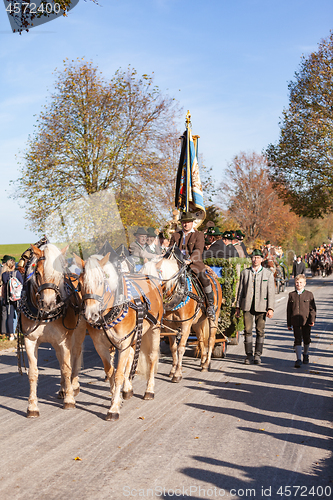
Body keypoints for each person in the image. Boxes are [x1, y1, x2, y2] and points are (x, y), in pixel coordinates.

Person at [169, 211, 215, 317]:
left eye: (188, 222)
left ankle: (210, 306)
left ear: (192, 223)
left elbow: (198, 250)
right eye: (184, 222)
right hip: (176, 265)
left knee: (204, 279)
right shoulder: (175, 235)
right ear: (181, 223)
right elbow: (170, 249)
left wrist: (189, 260)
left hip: (193, 265)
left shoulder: (199, 235)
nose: (186, 224)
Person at [235, 249, 275, 364]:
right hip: (247, 306)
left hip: (261, 307)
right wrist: (238, 307)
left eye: (258, 257)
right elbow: (240, 291)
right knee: (247, 330)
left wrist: (270, 308)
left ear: (262, 260)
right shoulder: (245, 273)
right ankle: (249, 355)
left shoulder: (268, 274)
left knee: (260, 331)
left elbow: (271, 292)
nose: (255, 260)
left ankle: (257, 355)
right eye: (253, 257)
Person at [287, 274, 316, 368]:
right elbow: (289, 310)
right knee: (297, 339)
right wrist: (289, 323)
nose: (298, 284)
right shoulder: (292, 295)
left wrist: (312, 319)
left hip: (306, 321)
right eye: (297, 282)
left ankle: (306, 354)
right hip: (295, 321)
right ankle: (298, 359)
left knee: (306, 339)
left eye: (300, 282)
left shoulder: (309, 294)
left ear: (304, 284)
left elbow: (312, 309)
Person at [1, 255, 23, 341]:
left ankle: (11, 335)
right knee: (19, 315)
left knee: (9, 316)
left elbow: (4, 284)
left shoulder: (3, 275)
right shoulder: (17, 273)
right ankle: (20, 332)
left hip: (8, 298)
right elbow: (21, 283)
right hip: (17, 298)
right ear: (14, 266)